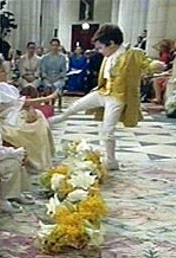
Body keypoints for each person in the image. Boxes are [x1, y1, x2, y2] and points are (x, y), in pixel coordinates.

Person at [50, 24, 164, 170]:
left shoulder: (132, 53)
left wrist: (157, 65)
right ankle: (51, 121)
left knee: (107, 131)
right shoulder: (108, 55)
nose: (99, 51)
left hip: (118, 96)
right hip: (103, 92)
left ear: (111, 43)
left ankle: (111, 162)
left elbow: (146, 63)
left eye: (101, 48)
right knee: (74, 107)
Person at [0, 55, 56, 173]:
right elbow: (20, 103)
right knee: (35, 124)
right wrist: (48, 98)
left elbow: (20, 103)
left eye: (5, 71)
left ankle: (44, 159)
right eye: (1, 71)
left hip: (15, 115)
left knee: (38, 116)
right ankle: (38, 162)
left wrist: (30, 109)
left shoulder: (6, 87)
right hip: (4, 120)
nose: (5, 74)